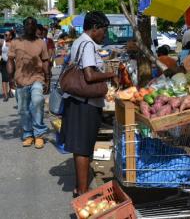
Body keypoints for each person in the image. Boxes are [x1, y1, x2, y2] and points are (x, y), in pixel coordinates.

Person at [60, 11, 117, 196]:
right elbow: (90, 75)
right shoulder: (87, 44)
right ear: (94, 28)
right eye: (103, 30)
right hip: (84, 104)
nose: (105, 34)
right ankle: (83, 192)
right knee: (83, 149)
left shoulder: (81, 41)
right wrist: (111, 74)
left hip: (79, 102)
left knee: (80, 148)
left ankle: (80, 188)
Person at [7, 17, 50, 148]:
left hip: (37, 78)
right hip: (20, 80)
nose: (30, 27)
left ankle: (39, 134)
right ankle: (28, 134)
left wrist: (47, 78)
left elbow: (45, 61)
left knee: (37, 101)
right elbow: (10, 60)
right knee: (23, 109)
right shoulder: (15, 42)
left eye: (32, 25)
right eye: (27, 24)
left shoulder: (41, 43)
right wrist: (10, 78)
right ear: (24, 26)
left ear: (36, 27)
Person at [1, 30, 15, 101]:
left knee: (11, 78)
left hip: (12, 62)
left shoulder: (14, 43)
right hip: (4, 62)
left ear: (11, 36)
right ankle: (5, 95)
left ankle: (10, 91)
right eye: (4, 35)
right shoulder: (2, 42)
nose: (5, 36)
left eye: (6, 35)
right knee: (4, 79)